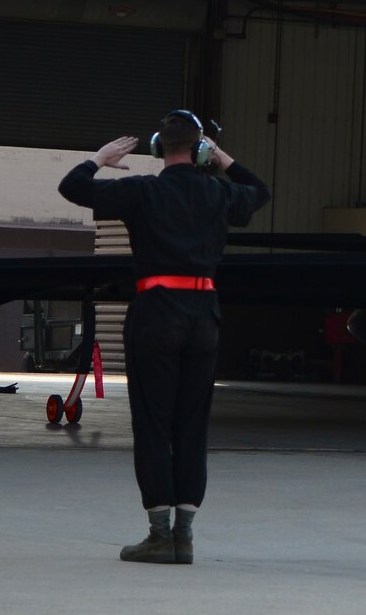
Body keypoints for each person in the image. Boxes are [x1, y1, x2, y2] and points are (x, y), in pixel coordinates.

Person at [59, 112, 270, 565]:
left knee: (154, 424)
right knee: (192, 425)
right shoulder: (219, 192)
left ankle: (159, 535)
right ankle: (185, 535)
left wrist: (99, 158)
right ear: (198, 151)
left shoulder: (142, 191)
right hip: (204, 316)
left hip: (156, 312)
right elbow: (260, 192)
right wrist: (221, 159)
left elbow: (72, 188)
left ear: (158, 149)